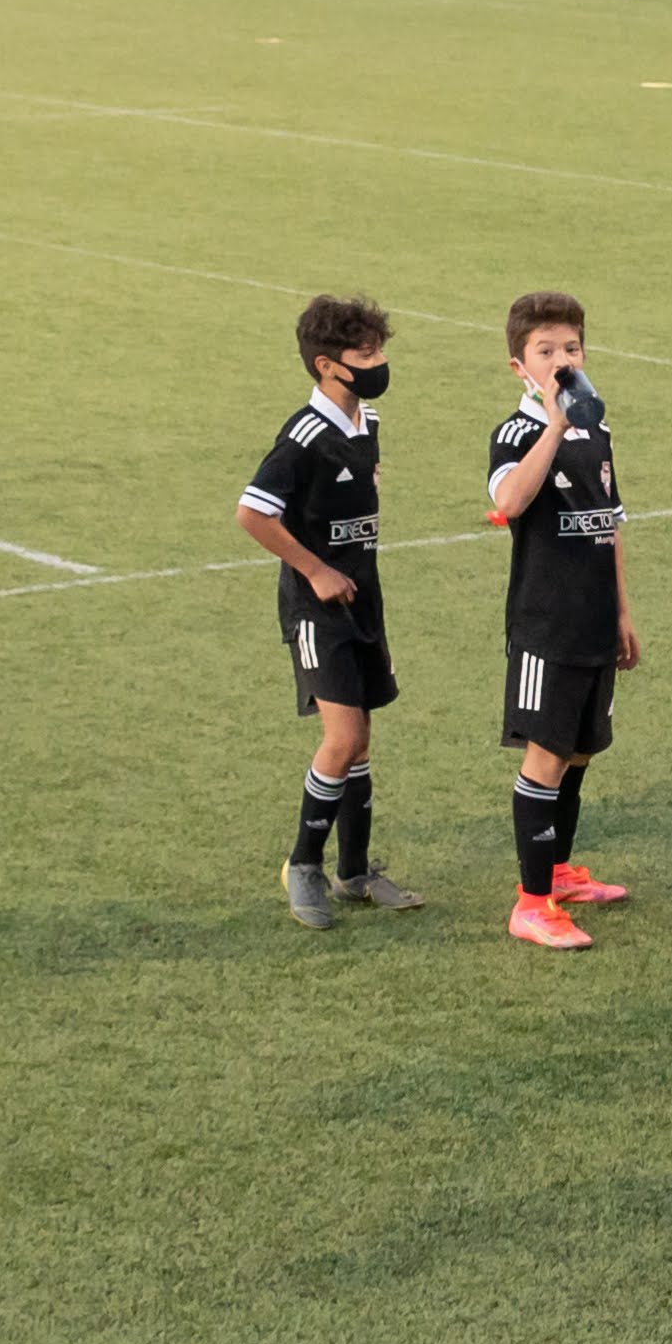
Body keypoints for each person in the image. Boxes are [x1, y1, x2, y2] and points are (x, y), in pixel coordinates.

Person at [236, 295, 417, 930]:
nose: (379, 362)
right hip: (316, 610)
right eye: (365, 354)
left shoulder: (366, 421)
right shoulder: (304, 437)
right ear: (326, 364)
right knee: (341, 738)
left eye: (379, 349)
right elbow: (253, 513)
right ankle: (304, 865)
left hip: (363, 601)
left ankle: (355, 871)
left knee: (361, 738)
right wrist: (314, 569)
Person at [489, 291, 641, 951]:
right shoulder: (516, 433)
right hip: (545, 625)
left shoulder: (597, 430)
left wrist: (622, 611)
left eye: (571, 348)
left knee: (579, 752)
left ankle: (556, 874)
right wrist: (553, 423)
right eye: (545, 350)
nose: (561, 360)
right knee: (546, 755)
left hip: (594, 620)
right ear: (519, 366)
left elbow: (609, 524)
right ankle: (530, 905)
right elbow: (509, 501)